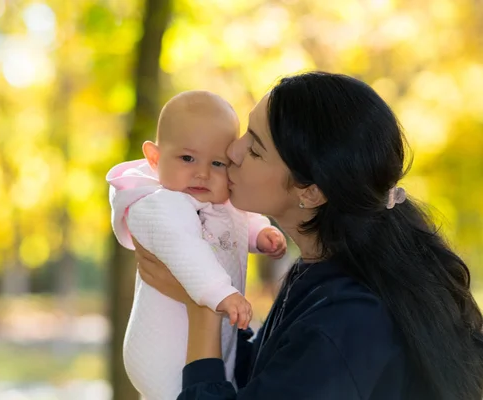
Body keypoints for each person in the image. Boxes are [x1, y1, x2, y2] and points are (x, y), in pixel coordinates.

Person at [133, 72, 483, 399]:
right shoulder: (321, 271)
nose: (232, 152)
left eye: (254, 149)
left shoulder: (348, 322)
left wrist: (203, 308)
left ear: (311, 192)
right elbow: (265, 374)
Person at [106, 91, 286, 400]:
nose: (202, 173)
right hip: (164, 346)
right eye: (187, 158)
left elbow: (235, 219)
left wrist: (260, 234)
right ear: (155, 158)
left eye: (217, 162)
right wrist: (221, 293)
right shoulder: (159, 205)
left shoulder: (216, 200)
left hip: (214, 334)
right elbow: (185, 250)